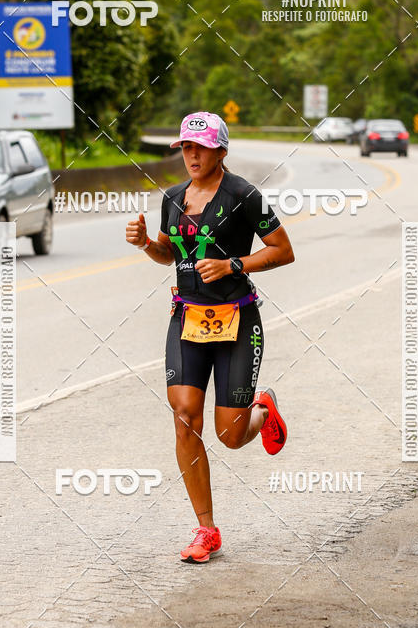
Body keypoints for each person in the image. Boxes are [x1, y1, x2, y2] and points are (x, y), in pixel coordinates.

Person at [126, 111, 295, 563]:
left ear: (221, 150)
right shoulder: (173, 197)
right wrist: (146, 243)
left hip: (238, 321)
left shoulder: (244, 196)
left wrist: (233, 264)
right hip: (187, 319)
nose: (192, 155)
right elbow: (168, 254)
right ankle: (206, 530)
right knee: (184, 415)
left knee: (230, 435)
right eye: (186, 147)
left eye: (200, 147)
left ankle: (262, 410)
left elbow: (283, 250)